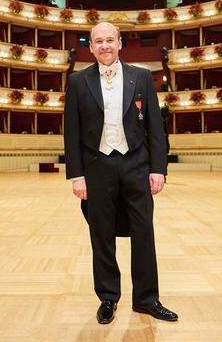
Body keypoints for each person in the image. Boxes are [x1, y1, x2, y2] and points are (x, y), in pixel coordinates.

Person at [63, 22, 178, 324]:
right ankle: (107, 298)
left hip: (136, 165)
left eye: (109, 40)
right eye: (98, 41)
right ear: (91, 47)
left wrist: (157, 169)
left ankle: (146, 299)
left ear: (119, 43)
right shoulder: (77, 81)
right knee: (101, 235)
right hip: (97, 166)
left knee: (143, 233)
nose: (104, 46)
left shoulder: (141, 77)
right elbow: (71, 132)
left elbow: (155, 126)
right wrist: (77, 175)